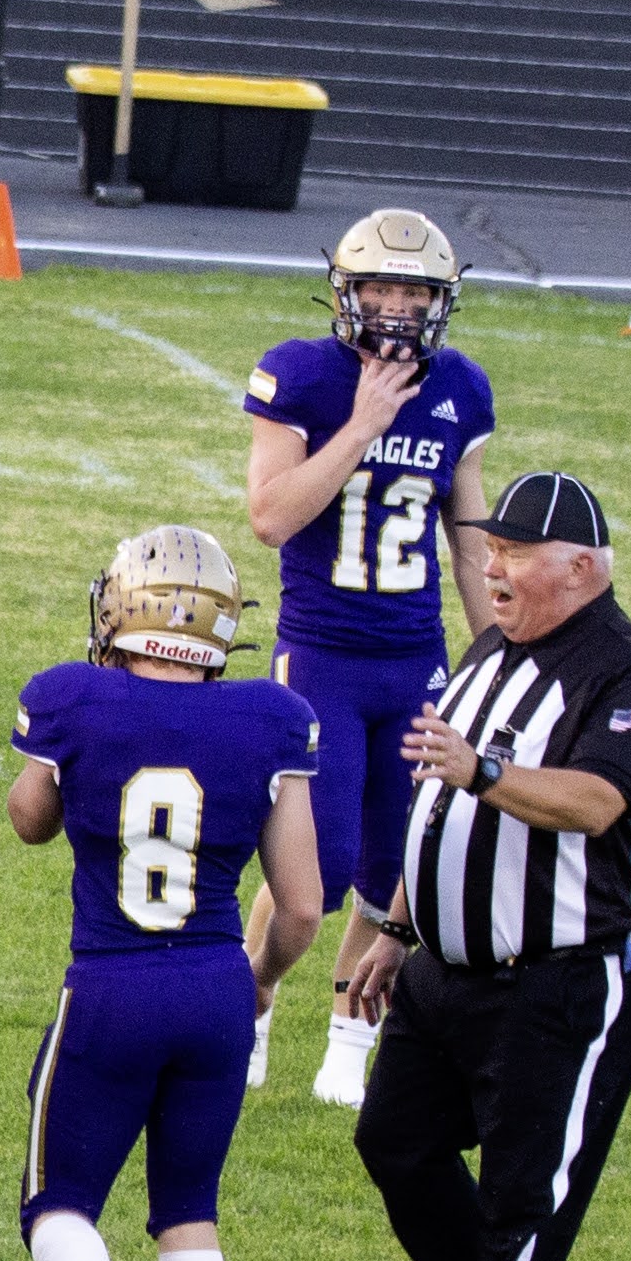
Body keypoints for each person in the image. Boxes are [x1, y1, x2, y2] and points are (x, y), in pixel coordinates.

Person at [349, 472, 631, 1261]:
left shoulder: (630, 673)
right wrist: (398, 929)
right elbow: (439, 802)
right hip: (444, 974)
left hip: (563, 979)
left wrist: (484, 769)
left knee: (521, 1194)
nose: (492, 568)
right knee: (396, 1144)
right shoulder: (492, 646)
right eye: (492, 549)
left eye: (517, 554)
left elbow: (596, 802)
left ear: (580, 568)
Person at [6, 526, 321, 1261]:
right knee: (189, 1203)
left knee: (57, 1197)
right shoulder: (272, 716)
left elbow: (28, 820)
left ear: (118, 609)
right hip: (217, 983)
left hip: (111, 982)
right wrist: (260, 981)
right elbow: (302, 905)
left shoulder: (71, 694)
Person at [239, 207, 494, 1108]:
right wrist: (361, 425)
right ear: (346, 291)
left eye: (416, 290)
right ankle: (255, 993)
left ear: (441, 300)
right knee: (316, 868)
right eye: (381, 286)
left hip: (415, 657)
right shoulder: (303, 374)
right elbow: (271, 517)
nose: (397, 306)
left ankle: (350, 1034)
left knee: (397, 870)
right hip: (321, 656)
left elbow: (469, 537)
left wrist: (494, 656)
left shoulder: (459, 386)